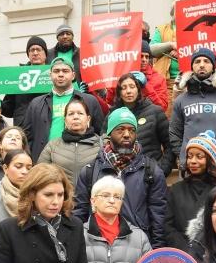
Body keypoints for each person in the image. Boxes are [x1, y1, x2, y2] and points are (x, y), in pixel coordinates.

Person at [74, 107, 167, 248]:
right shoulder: (90, 171)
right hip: (96, 245)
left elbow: (158, 215)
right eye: (120, 129)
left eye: (131, 130)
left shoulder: (151, 171)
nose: (126, 134)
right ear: (110, 133)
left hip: (138, 245)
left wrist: (156, 250)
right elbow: (79, 213)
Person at [169, 48, 216, 181]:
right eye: (197, 61)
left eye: (206, 61)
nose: (202, 64)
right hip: (190, 168)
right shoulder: (181, 100)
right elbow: (175, 133)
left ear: (214, 66)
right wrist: (184, 156)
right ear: (192, 66)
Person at [23, 57, 104, 161]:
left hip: (80, 163)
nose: (60, 74)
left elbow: (99, 134)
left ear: (73, 75)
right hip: (44, 164)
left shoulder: (89, 101)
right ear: (50, 75)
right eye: (56, 71)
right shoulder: (36, 104)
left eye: (65, 71)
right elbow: (26, 138)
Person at [164, 130, 216, 252]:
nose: (193, 161)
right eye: (189, 156)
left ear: (210, 160)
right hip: (182, 254)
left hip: (213, 255)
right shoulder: (176, 190)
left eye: (199, 156)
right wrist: (186, 248)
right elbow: (167, 226)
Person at [109, 72, 173, 175]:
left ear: (138, 90)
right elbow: (104, 142)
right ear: (119, 92)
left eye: (132, 86)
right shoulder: (113, 115)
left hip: (150, 175)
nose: (128, 91)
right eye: (124, 88)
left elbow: (169, 145)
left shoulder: (155, 111)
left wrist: (161, 170)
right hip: (121, 175)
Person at [38, 97, 102, 185]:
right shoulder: (53, 145)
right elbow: (39, 175)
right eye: (71, 114)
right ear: (65, 120)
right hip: (60, 197)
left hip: (90, 197)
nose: (75, 117)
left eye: (80, 113)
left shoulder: (100, 144)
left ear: (88, 119)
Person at [102, 41, 170, 112]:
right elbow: (110, 102)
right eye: (141, 56)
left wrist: (146, 86)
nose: (144, 60)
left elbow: (162, 108)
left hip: (148, 118)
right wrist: (117, 82)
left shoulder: (158, 79)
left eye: (147, 57)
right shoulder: (121, 74)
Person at [2, 36, 49, 126]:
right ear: (28, 54)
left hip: (47, 127)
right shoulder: (18, 75)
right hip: (23, 129)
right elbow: (8, 110)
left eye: (38, 49)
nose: (35, 53)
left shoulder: (54, 74)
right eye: (32, 50)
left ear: (45, 53)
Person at [46, 24, 86, 91]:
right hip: (55, 94)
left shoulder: (82, 53)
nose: (65, 36)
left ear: (72, 36)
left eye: (68, 34)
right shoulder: (48, 54)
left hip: (78, 94)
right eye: (62, 34)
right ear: (57, 38)